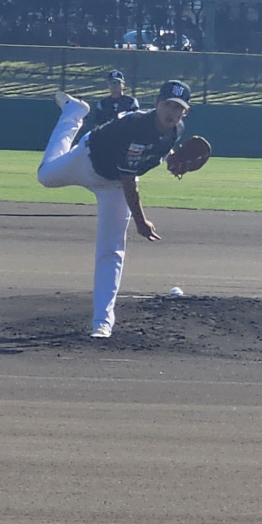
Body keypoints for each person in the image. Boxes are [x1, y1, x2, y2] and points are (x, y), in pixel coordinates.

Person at [37, 79, 191, 339]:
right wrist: (141, 221)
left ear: (185, 111)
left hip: (114, 187)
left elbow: (158, 149)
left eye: (178, 108)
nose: (172, 112)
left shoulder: (175, 131)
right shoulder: (137, 126)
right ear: (156, 104)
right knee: (45, 177)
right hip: (86, 160)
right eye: (167, 105)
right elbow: (130, 180)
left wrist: (170, 159)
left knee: (111, 250)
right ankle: (74, 114)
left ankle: (102, 322)